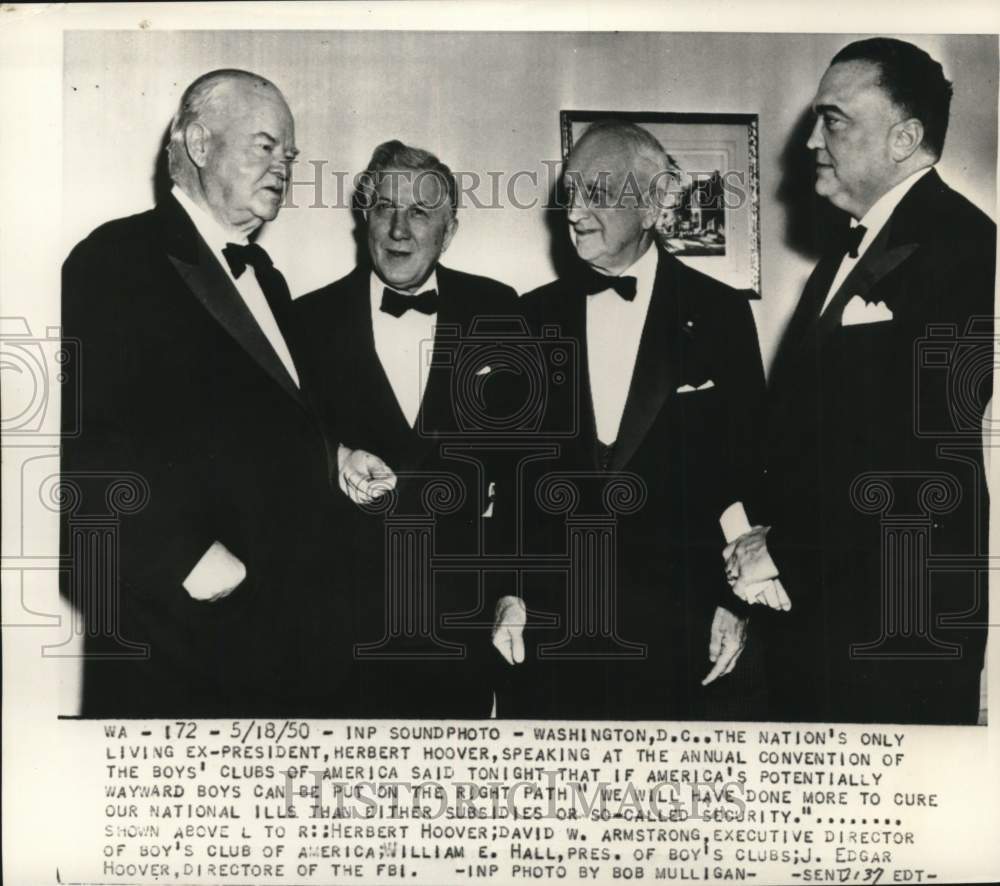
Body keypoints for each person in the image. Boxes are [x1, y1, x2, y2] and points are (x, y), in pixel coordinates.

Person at [61, 69, 352, 717]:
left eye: (291, 155)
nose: (284, 166)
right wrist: (187, 563)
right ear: (197, 142)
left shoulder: (268, 279)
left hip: (281, 639)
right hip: (179, 636)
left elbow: (266, 422)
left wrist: (337, 453)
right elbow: (80, 446)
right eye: (265, 145)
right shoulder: (117, 258)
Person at [727, 38, 995, 724]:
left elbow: (917, 450)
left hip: (897, 622)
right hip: (826, 604)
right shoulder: (852, 247)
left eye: (835, 119)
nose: (812, 140)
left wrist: (779, 547)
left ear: (905, 137)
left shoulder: (965, 247)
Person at [505, 119, 767, 720]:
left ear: (655, 205)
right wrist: (508, 592)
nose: (574, 212)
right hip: (551, 635)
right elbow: (513, 478)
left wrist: (735, 605)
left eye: (598, 193)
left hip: (683, 627)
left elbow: (746, 470)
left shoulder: (720, 314)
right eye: (570, 193)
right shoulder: (529, 317)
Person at [293, 140, 521, 716]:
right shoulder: (303, 322)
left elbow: (524, 470)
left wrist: (513, 593)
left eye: (420, 213)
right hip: (337, 634)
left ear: (449, 230)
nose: (399, 229)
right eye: (385, 209)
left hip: (461, 628)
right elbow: (282, 453)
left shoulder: (500, 311)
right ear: (363, 217)